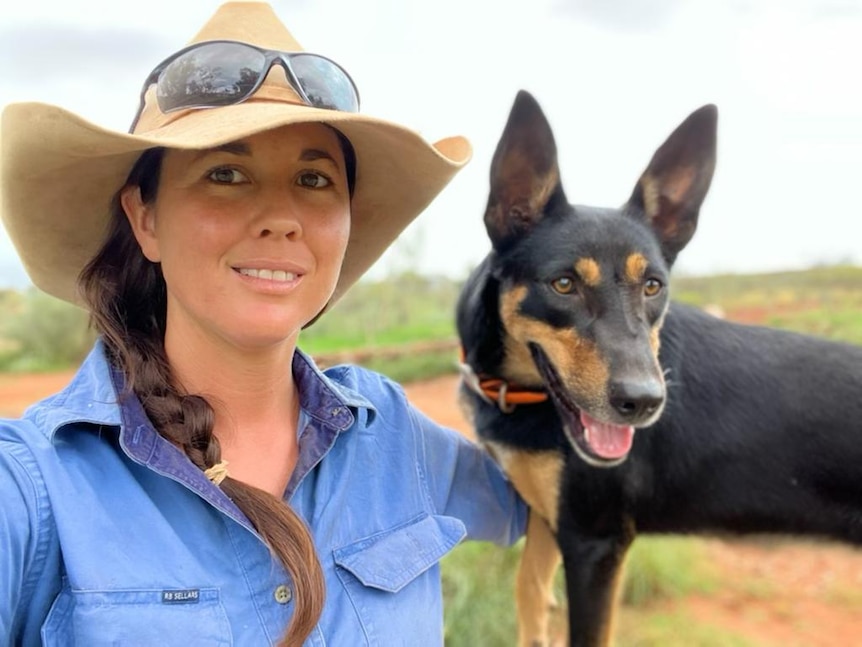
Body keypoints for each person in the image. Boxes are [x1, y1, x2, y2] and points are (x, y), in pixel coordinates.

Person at [0, 3, 527, 645]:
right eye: (226, 173)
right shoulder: (33, 490)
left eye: (313, 178)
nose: (282, 216)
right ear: (146, 218)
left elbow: (548, 498)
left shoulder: (393, 438)